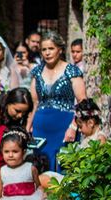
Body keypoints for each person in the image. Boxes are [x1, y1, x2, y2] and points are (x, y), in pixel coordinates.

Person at [28, 31, 87, 173]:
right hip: (40, 127)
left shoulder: (71, 71)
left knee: (64, 166)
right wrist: (28, 127)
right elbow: (33, 103)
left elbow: (82, 101)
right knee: (41, 165)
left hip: (65, 126)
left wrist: (73, 127)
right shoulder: (37, 72)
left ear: (60, 49)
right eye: (44, 49)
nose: (47, 53)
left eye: (51, 49)